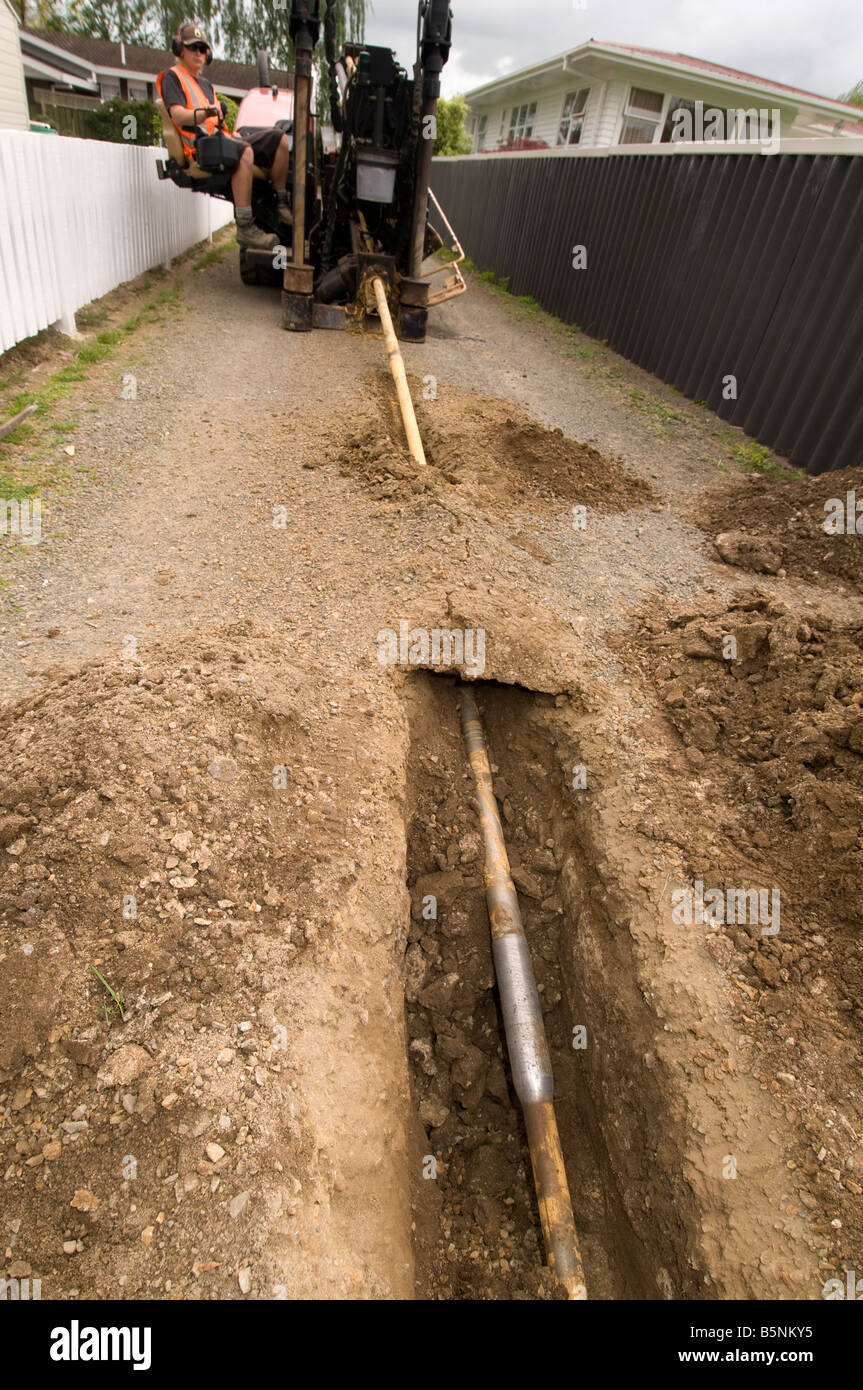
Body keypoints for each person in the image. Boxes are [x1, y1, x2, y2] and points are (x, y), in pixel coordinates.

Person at [157, 22, 292, 252]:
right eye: (193, 48)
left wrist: (231, 131)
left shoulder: (205, 84)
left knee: (279, 139)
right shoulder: (173, 77)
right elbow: (178, 116)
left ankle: (281, 202)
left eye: (203, 49)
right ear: (180, 49)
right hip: (199, 148)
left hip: (218, 139)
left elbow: (214, 122)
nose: (199, 54)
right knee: (245, 152)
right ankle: (245, 226)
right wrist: (205, 114)